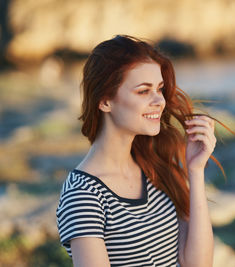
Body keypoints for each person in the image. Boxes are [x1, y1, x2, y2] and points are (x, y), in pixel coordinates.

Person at [56, 35, 224, 267]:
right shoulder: (84, 195)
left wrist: (195, 170)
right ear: (105, 101)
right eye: (143, 91)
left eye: (160, 89)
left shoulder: (155, 166)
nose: (160, 101)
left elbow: (197, 264)